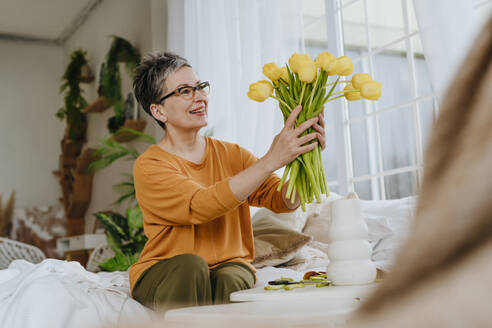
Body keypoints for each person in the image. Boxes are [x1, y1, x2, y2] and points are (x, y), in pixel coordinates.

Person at [129, 52, 326, 311]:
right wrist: (270, 160)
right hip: (165, 269)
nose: (200, 96)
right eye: (185, 91)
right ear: (158, 110)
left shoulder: (232, 154)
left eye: (200, 87)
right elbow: (201, 205)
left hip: (230, 265)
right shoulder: (151, 165)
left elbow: (284, 201)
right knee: (191, 265)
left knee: (231, 276)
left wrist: (308, 153)